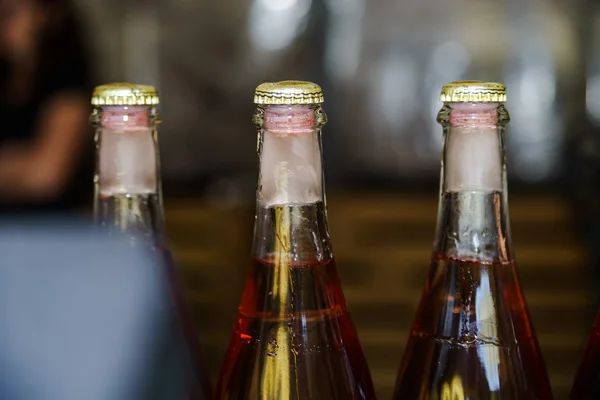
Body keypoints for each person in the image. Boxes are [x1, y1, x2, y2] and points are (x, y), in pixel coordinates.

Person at [0, 0, 92, 214]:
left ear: (47, 16)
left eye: (9, 14)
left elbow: (46, 176)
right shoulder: (6, 83)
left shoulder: (68, 85)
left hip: (53, 232)